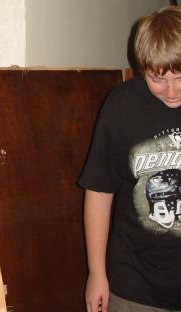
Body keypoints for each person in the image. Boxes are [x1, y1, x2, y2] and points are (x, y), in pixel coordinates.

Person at [78, 5, 181, 312]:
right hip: (134, 283)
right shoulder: (121, 106)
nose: (172, 91)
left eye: (180, 76)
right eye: (157, 78)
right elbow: (98, 191)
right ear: (142, 68)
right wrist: (96, 273)